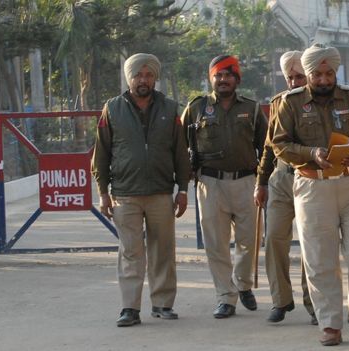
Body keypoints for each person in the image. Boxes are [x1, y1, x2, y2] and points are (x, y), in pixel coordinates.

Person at [271, 43, 349, 346]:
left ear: (336, 71)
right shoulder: (290, 103)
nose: (323, 79)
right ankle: (330, 323)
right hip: (312, 185)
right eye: (317, 74)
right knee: (320, 258)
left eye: (329, 73)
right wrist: (310, 153)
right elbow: (279, 144)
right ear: (307, 74)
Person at [91, 53, 190, 327]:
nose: (143, 80)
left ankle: (162, 304)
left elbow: (181, 153)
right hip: (125, 194)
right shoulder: (111, 109)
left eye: (148, 75)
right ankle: (129, 308)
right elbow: (101, 155)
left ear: (155, 78)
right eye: (138, 75)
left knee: (163, 251)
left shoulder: (170, 109)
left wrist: (182, 190)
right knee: (131, 252)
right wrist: (102, 192)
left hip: (160, 192)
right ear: (129, 77)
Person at [181, 55, 267, 319]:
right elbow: (180, 143)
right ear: (211, 78)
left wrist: (264, 181)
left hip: (246, 182)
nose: (223, 80)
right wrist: (185, 179)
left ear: (237, 78)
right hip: (210, 184)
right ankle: (225, 297)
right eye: (218, 75)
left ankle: (242, 284)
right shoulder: (197, 108)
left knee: (249, 240)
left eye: (228, 75)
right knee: (216, 244)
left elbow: (266, 148)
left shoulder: (251, 109)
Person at [254, 50, 317, 325]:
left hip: (311, 178)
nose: (294, 81)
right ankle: (281, 300)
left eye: (299, 76)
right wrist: (261, 182)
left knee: (311, 244)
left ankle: (314, 303)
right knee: (274, 240)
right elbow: (269, 147)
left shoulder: (319, 102)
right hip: (280, 179)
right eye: (290, 77)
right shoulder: (278, 102)